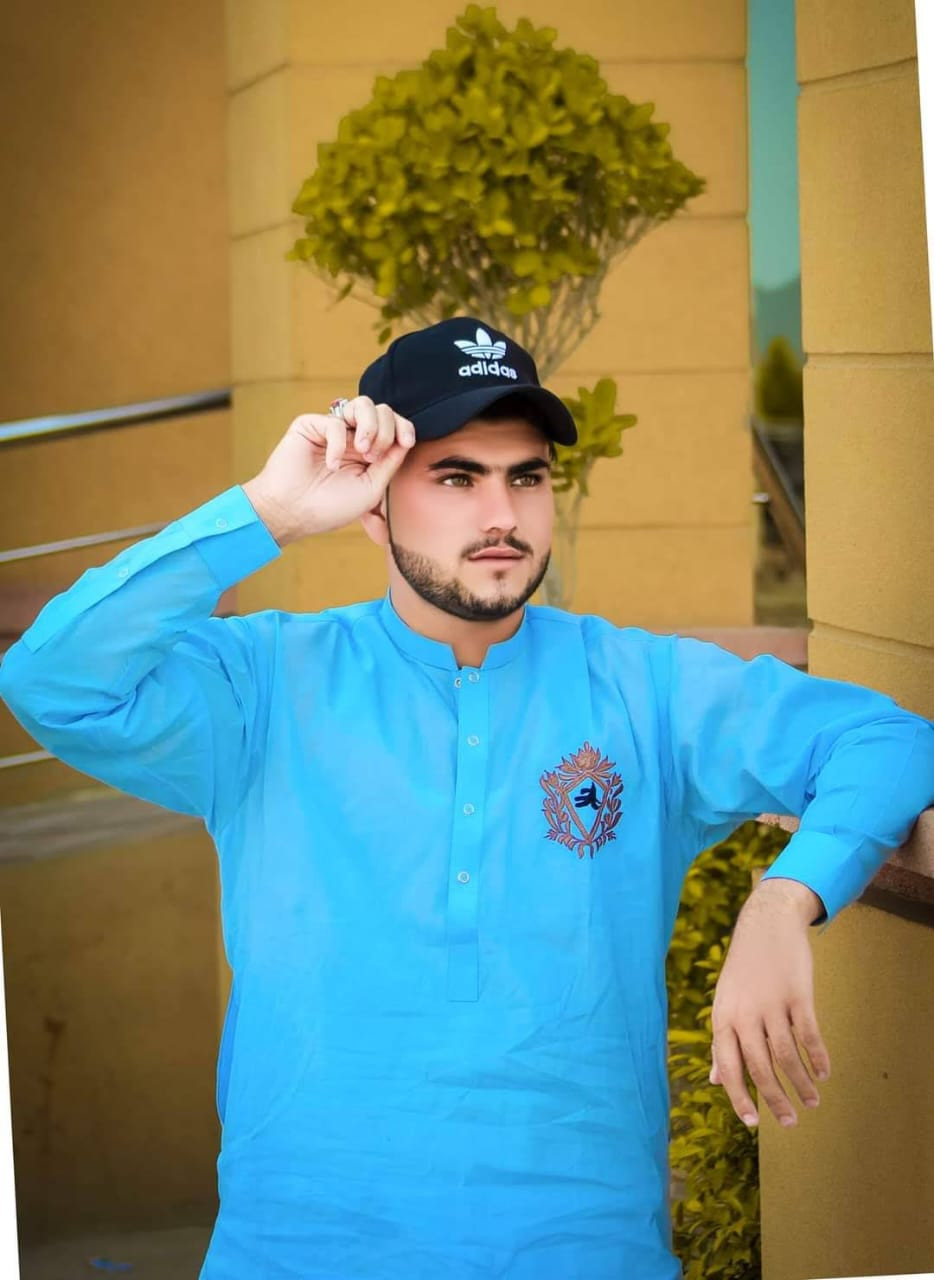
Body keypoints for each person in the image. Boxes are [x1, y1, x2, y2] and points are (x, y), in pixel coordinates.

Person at [0, 316, 931, 1280]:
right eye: (456, 478)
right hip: (296, 1250)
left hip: (582, 1253)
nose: (503, 514)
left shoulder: (645, 689)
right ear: (373, 506)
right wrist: (269, 512)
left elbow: (888, 740)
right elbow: (51, 682)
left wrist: (783, 901)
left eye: (526, 477)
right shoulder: (265, 681)